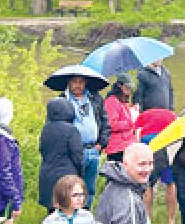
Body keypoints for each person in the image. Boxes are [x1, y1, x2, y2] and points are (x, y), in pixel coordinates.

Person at [96, 143, 161, 224]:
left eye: (150, 163)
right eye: (142, 164)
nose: (148, 169)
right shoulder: (127, 201)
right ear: (125, 164)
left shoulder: (115, 182)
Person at [65, 75, 111, 203]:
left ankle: (86, 216)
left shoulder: (95, 98)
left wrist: (101, 144)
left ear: (86, 83)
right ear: (69, 83)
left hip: (93, 150)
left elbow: (105, 123)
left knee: (89, 188)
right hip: (73, 151)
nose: (78, 85)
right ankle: (70, 216)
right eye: (74, 82)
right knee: (72, 186)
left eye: (81, 82)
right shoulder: (63, 100)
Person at [39, 97, 84, 212]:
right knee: (68, 210)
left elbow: (42, 150)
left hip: (47, 173)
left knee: (52, 210)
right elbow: (77, 156)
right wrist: (81, 173)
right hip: (67, 175)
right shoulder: (72, 130)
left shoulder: (46, 129)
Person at [104, 76, 139, 163]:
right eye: (127, 87)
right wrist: (130, 123)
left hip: (127, 146)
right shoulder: (111, 101)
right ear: (119, 86)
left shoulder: (122, 102)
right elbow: (112, 124)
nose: (129, 90)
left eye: (130, 88)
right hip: (117, 148)